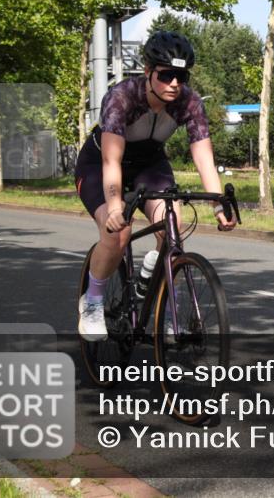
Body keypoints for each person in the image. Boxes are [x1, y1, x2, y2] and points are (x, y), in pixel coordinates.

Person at [74, 30, 235, 340]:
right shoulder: (122, 97)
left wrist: (218, 204)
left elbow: (203, 157)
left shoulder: (188, 102)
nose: (174, 83)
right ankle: (92, 300)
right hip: (102, 164)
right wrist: (115, 204)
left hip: (150, 164)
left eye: (181, 75)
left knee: (173, 222)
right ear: (147, 72)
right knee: (118, 232)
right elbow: (111, 161)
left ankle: (160, 291)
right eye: (166, 75)